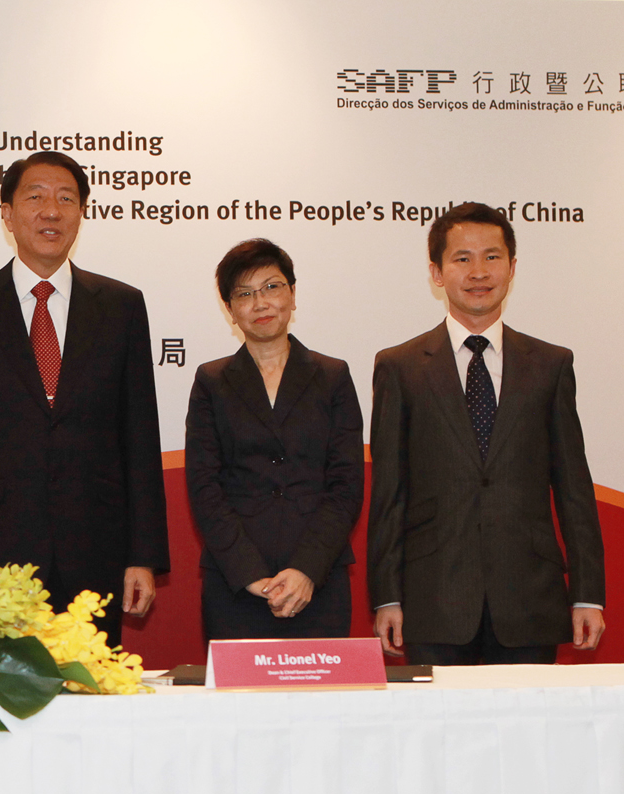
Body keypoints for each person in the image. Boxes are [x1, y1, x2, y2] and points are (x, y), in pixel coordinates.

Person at [0, 151, 167, 646]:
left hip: (95, 550)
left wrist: (143, 555)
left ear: (82, 213)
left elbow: (139, 436)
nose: (51, 211)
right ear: (7, 214)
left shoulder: (121, 306)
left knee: (90, 686)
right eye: (35, 197)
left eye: (66, 199)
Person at [369, 202, 605, 664]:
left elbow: (574, 488)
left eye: (492, 257)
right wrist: (386, 596)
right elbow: (389, 493)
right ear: (437, 273)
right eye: (462, 258)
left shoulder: (551, 365)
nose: (478, 272)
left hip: (529, 599)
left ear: (512, 267)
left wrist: (587, 594)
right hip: (433, 598)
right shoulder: (400, 367)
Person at [184, 239, 363, 639]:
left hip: (318, 581)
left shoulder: (332, 376)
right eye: (244, 294)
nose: (260, 303)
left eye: (271, 287)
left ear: (292, 295)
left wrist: (305, 571)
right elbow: (204, 486)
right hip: (236, 584)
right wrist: (250, 574)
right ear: (230, 309)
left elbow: (346, 485)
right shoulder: (211, 381)